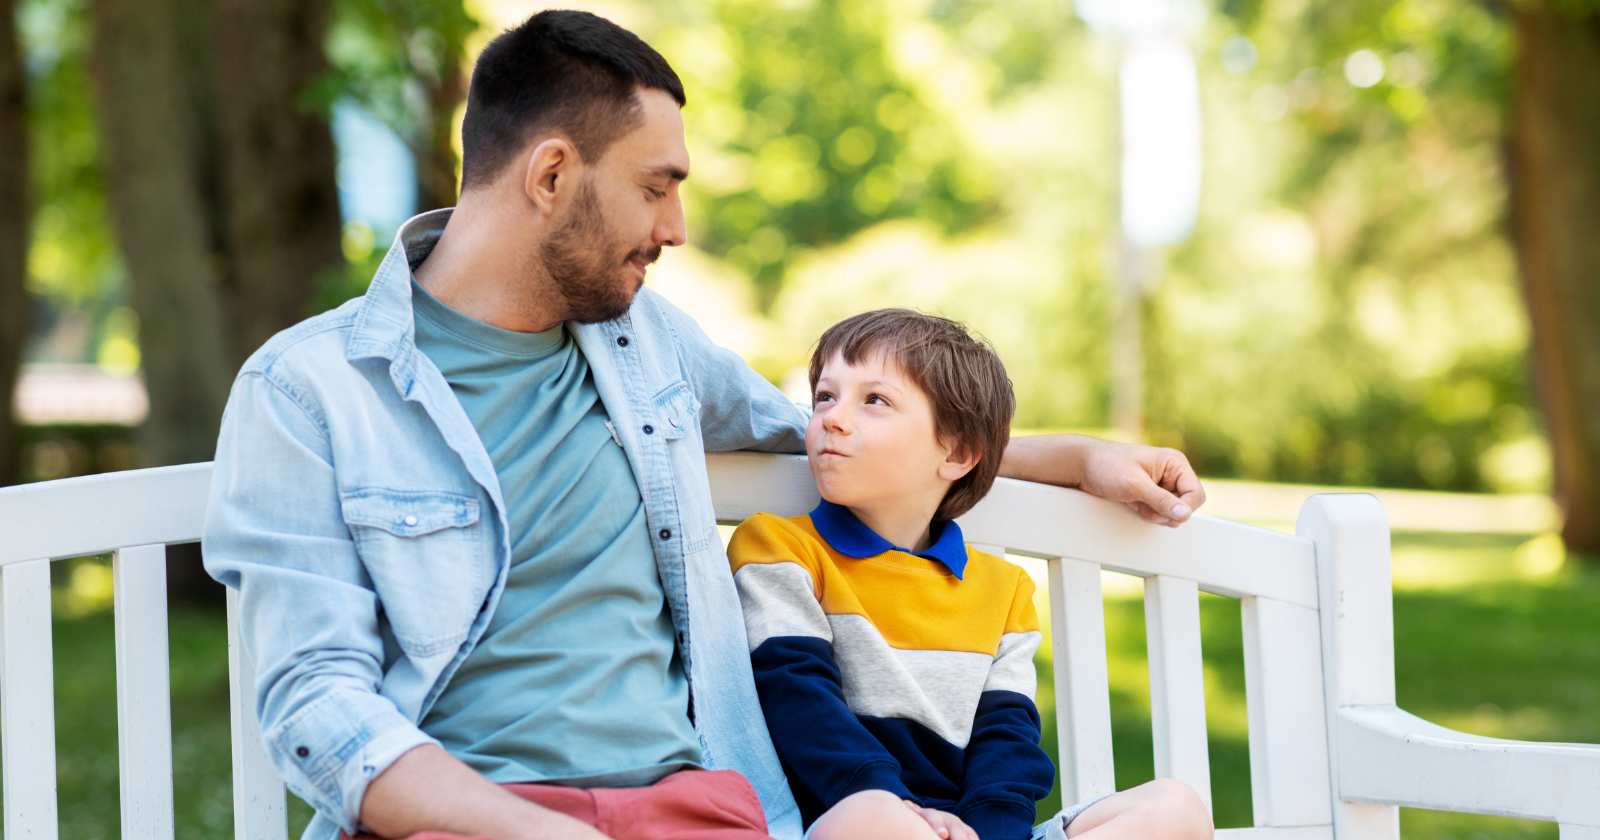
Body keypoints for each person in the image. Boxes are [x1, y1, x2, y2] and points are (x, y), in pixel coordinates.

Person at [202, 10, 1207, 840]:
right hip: (475, 820)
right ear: (549, 176)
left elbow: (818, 436)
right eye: (655, 188)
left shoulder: (647, 344)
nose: (675, 230)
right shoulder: (308, 391)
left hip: (696, 812)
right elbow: (318, 707)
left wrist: (1077, 458)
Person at [728, 310, 1213, 840]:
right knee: (878, 820)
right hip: (855, 815)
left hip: (977, 831)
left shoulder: (1004, 591)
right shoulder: (778, 547)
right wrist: (900, 806)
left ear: (957, 453)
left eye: (875, 400)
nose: (832, 418)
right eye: (825, 396)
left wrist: (992, 831)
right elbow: (798, 699)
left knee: (1176, 807)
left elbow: (1007, 738)